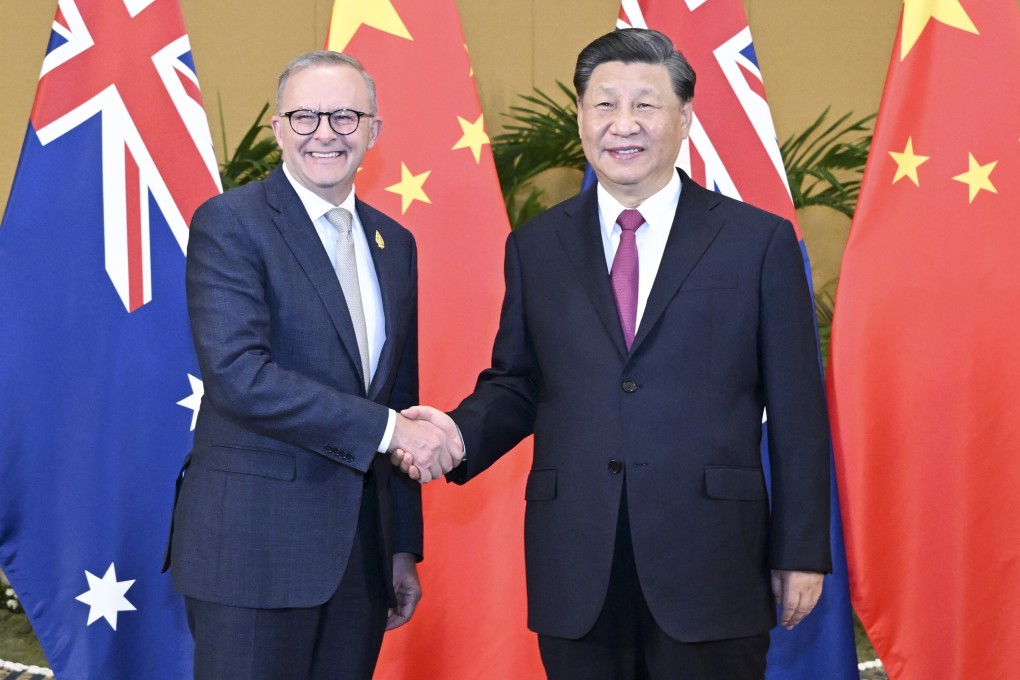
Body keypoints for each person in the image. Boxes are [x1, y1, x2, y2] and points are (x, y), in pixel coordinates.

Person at [399, 28, 831, 680]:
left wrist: (800, 551)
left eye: (645, 104)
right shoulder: (537, 247)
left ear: (683, 118)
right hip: (577, 563)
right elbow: (519, 383)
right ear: (580, 117)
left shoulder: (756, 243)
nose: (622, 124)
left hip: (711, 563)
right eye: (604, 105)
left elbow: (798, 411)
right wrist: (458, 434)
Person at [166, 51, 462, 680]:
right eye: (304, 117)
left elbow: (397, 393)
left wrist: (400, 543)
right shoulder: (231, 223)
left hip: (359, 559)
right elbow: (241, 376)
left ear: (373, 130)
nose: (324, 133)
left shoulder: (394, 242)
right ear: (277, 128)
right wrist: (390, 432)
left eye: (345, 116)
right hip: (250, 551)